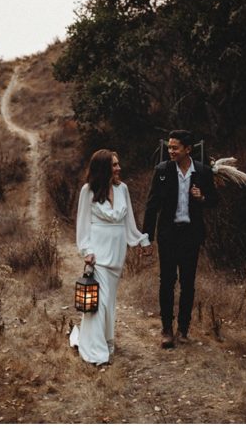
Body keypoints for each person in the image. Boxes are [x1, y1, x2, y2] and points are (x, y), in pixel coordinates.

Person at [69, 149, 152, 365]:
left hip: (117, 254)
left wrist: (141, 241)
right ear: (104, 168)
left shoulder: (122, 188)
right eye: (114, 165)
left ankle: (106, 339)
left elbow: (129, 222)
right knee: (100, 302)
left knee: (109, 301)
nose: (119, 168)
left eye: (118, 164)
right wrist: (87, 251)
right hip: (98, 254)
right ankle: (95, 351)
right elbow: (83, 224)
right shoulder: (88, 191)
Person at [143, 130, 219, 349]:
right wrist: (147, 238)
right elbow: (151, 206)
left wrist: (202, 197)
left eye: (175, 147)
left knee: (188, 284)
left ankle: (183, 329)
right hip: (168, 235)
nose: (171, 151)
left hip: (191, 235)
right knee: (166, 282)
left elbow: (214, 200)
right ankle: (166, 330)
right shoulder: (163, 171)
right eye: (169, 147)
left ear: (188, 149)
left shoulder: (203, 172)